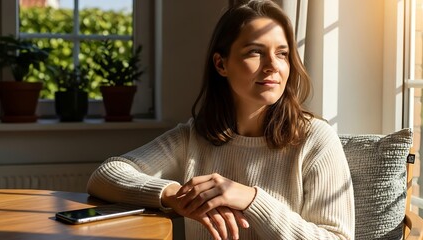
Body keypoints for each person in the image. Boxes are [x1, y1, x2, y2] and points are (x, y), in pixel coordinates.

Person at [87, 0, 355, 239]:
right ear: (221, 64)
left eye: (282, 53)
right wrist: (175, 197)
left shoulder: (316, 139)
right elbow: (106, 175)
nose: (273, 65)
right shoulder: (194, 136)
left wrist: (250, 199)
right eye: (255, 52)